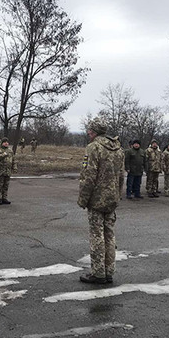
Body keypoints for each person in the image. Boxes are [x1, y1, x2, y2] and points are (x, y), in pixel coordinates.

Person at [77, 118, 119, 285]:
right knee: (109, 235)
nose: (88, 133)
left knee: (97, 235)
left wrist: (83, 199)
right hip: (112, 198)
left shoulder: (93, 147)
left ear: (94, 132)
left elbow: (89, 176)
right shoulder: (117, 148)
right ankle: (109, 271)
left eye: (90, 130)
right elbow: (120, 175)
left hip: (97, 199)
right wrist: (117, 195)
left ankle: (98, 273)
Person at [0, 137, 16, 204]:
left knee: (6, 185)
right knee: (0, 185)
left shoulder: (10, 151)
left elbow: (13, 160)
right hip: (0, 171)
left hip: (8, 171)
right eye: (4, 142)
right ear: (2, 143)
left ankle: (4, 198)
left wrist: (14, 167)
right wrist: (2, 155)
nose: (6, 143)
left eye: (7, 142)